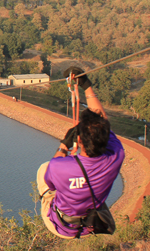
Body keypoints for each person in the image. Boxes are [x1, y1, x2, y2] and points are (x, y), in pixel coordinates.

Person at [36, 67, 125, 239]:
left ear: (80, 140)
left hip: (61, 227)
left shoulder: (59, 167)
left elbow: (51, 182)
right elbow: (102, 119)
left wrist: (64, 146)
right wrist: (86, 86)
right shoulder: (116, 155)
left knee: (43, 169)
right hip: (91, 224)